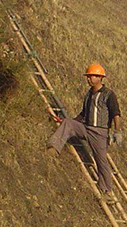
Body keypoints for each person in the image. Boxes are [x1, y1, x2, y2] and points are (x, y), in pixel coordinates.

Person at [46, 63, 122, 202]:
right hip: (86, 127)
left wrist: (117, 131)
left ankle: (107, 191)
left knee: (101, 160)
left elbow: (116, 113)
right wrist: (71, 121)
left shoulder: (109, 95)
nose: (89, 79)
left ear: (100, 77)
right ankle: (54, 148)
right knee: (68, 123)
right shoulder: (88, 94)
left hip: (99, 132)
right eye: (88, 76)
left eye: (92, 76)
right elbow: (83, 113)